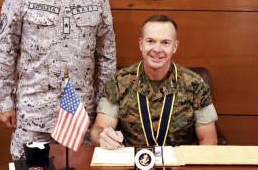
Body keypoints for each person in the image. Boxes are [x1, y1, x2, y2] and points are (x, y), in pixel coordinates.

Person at [0, 0, 116, 160]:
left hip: (81, 116)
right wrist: (4, 102)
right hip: (33, 116)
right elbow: (5, 51)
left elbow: (106, 56)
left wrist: (104, 110)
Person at [91, 14, 218, 149]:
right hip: (132, 162)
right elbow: (98, 129)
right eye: (150, 41)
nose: (157, 49)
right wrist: (102, 138)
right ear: (141, 44)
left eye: (165, 42)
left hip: (178, 164)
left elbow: (209, 140)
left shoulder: (195, 84)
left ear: (174, 46)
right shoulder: (119, 82)